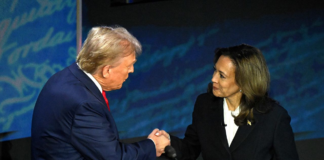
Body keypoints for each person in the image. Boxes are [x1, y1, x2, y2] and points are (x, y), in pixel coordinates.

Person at [31, 26, 170, 160]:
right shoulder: (84, 104)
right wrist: (153, 145)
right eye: (128, 66)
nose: (132, 70)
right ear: (106, 70)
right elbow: (114, 157)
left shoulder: (67, 76)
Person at [161, 44, 299, 160]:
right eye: (215, 71)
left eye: (222, 75)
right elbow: (190, 149)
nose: (213, 79)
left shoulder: (274, 117)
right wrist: (167, 141)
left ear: (244, 81)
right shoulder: (204, 105)